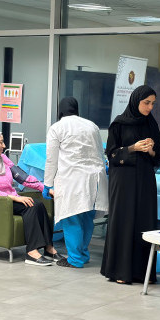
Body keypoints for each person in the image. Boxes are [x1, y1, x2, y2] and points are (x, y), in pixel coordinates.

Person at [101, 85, 160, 284]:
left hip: (145, 179)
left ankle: (142, 273)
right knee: (124, 221)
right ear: (136, 100)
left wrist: (151, 151)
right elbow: (111, 155)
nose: (149, 107)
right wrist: (133, 148)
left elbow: (159, 157)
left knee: (144, 221)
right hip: (124, 181)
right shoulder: (119, 124)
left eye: (153, 103)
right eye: (146, 103)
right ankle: (120, 272)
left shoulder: (151, 125)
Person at [0, 129, 62, 266]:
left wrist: (46, 188)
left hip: (10, 200)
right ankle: (31, 252)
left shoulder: (4, 160)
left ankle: (48, 248)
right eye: (0, 142)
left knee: (39, 205)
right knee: (30, 207)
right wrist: (14, 198)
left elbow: (23, 178)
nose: (4, 146)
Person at [43, 97, 108, 268]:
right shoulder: (92, 125)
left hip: (72, 179)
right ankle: (83, 254)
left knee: (71, 218)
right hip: (95, 179)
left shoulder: (57, 128)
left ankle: (75, 259)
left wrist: (47, 184)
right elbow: (101, 153)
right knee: (86, 218)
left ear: (61, 111)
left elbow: (51, 160)